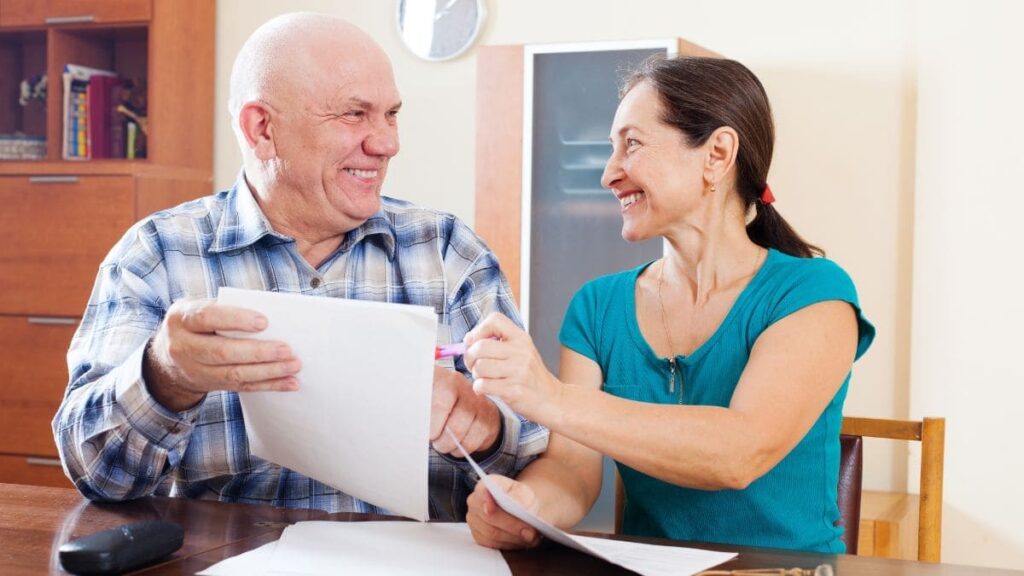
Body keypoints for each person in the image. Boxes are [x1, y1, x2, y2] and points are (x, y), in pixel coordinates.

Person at [52, 13, 547, 520]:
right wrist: (165, 375)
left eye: (391, 114)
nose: (387, 143)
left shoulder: (448, 252)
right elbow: (96, 473)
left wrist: (485, 428)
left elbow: (540, 463)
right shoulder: (157, 253)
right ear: (262, 129)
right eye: (354, 114)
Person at [461, 56, 875, 553]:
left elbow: (737, 453)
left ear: (717, 154)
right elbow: (572, 470)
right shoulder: (598, 307)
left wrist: (546, 396)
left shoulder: (813, 294)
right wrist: (525, 505)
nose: (609, 174)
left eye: (631, 144)